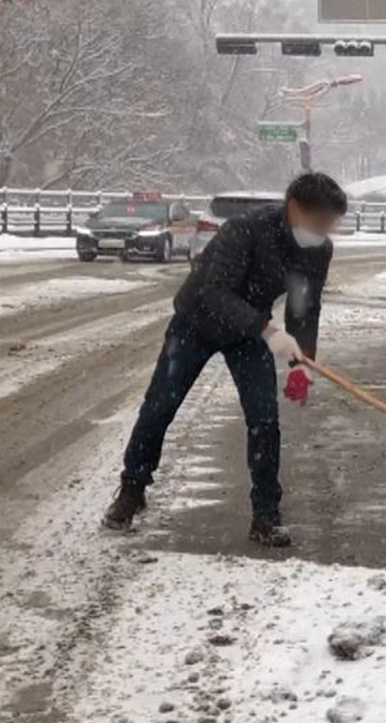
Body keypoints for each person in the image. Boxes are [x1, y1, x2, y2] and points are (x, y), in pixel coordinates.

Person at [103, 172, 349, 547]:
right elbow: (215, 292)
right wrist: (269, 332)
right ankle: (131, 491)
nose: (325, 230)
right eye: (321, 222)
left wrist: (303, 364)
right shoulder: (245, 230)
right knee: (160, 407)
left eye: (331, 224)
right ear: (295, 208)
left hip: (247, 334)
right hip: (196, 323)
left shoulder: (318, 249)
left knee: (264, 419)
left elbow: (305, 307)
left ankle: (266, 514)